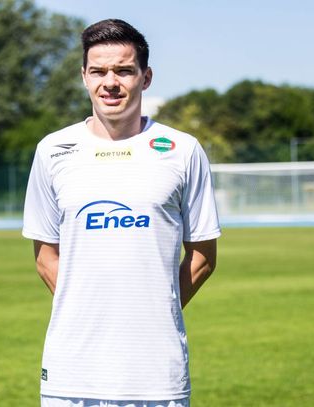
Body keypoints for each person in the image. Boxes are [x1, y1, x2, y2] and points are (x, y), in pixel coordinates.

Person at [22, 18, 221, 407]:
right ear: (84, 77)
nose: (110, 82)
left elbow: (203, 257)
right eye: (98, 71)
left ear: (145, 78)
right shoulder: (52, 151)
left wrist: (152, 313)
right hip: (71, 374)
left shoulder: (183, 150)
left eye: (124, 71)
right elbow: (45, 257)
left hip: (156, 376)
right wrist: (90, 312)